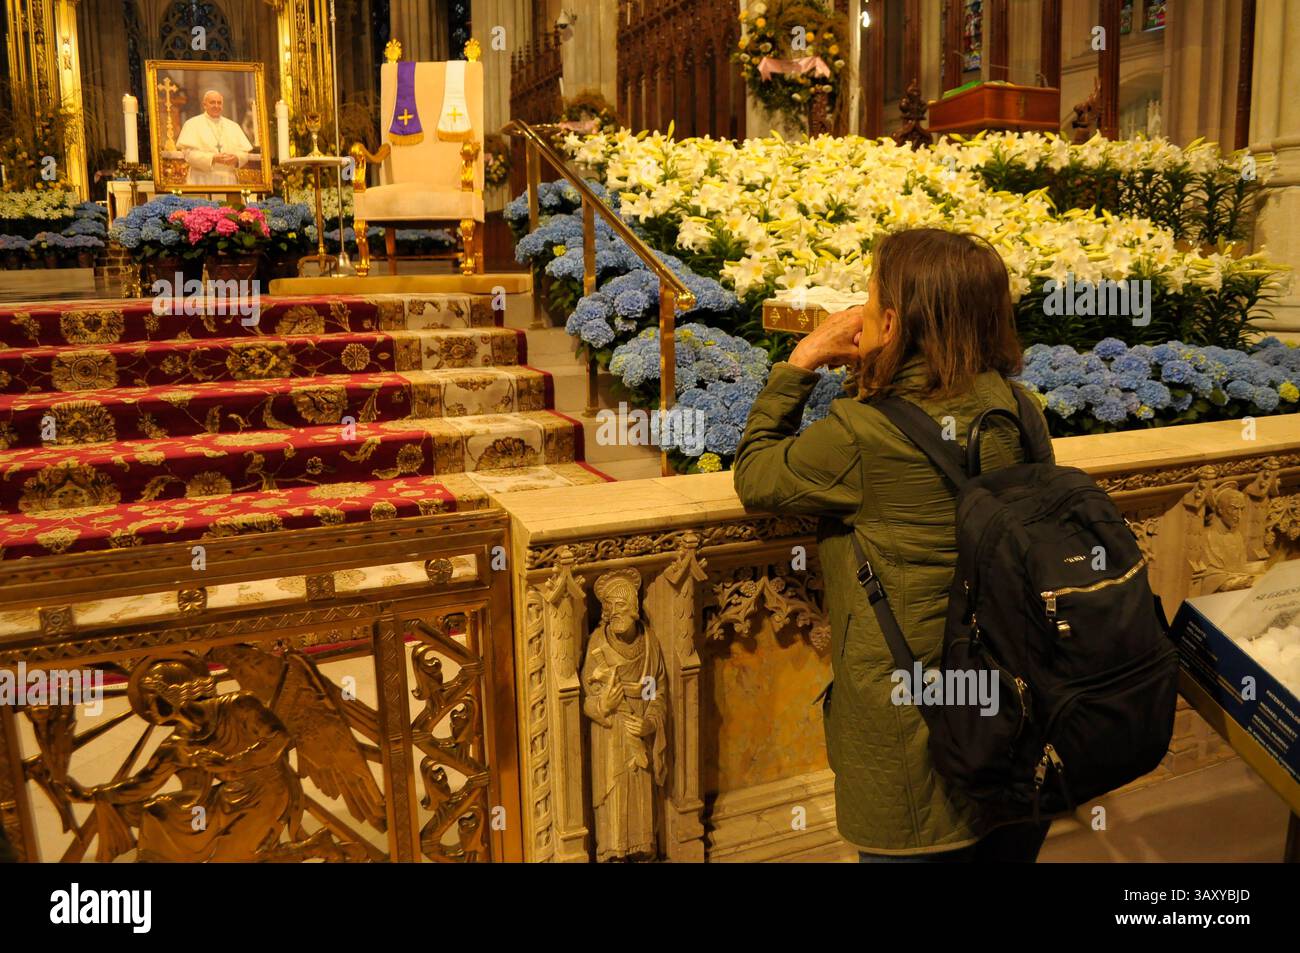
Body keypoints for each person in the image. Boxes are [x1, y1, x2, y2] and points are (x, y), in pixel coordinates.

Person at [733, 227, 1055, 862]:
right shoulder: (1019, 409)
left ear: (893, 319)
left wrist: (801, 360)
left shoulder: (862, 435)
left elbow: (757, 474)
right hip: (1017, 707)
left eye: (871, 294)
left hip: (916, 730)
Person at [175, 90, 254, 186]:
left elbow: (244, 153)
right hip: (201, 180)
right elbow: (188, 154)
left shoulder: (233, 126)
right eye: (212, 102)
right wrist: (212, 158)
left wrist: (237, 158)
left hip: (228, 180)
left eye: (219, 103)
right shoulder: (192, 124)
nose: (216, 106)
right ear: (204, 105)